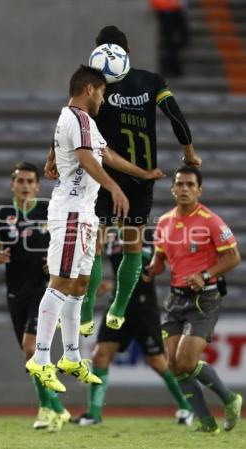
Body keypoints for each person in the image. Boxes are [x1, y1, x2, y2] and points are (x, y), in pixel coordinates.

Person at [26, 65, 165, 393]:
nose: (104, 98)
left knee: (81, 284)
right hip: (72, 212)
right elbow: (88, 159)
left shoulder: (79, 121)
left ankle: (71, 355)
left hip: (85, 214)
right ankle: (41, 358)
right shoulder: (76, 118)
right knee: (60, 282)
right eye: (102, 92)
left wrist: (141, 174)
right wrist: (115, 189)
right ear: (90, 89)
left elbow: (104, 154)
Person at [67, 25, 201, 335]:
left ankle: (86, 313)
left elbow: (74, 121)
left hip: (103, 177)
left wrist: (53, 157)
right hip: (142, 180)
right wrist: (189, 153)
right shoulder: (152, 82)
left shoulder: (93, 86)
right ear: (128, 52)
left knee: (94, 249)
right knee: (132, 248)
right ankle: (119, 308)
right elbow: (176, 116)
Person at [145, 165, 242, 433]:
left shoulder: (211, 220)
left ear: (199, 190)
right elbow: (161, 258)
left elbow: (233, 257)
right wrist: (151, 269)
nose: (184, 189)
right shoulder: (164, 222)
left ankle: (230, 399)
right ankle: (206, 423)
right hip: (175, 300)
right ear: (173, 188)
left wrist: (206, 274)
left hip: (204, 299)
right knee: (174, 366)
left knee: (186, 362)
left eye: (190, 185)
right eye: (180, 184)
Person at [72, 228, 194, 426]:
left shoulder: (150, 235)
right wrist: (100, 284)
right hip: (117, 306)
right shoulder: (107, 235)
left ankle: (187, 407)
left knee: (156, 360)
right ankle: (94, 414)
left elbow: (161, 264)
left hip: (143, 306)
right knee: (100, 354)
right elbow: (93, 262)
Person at [0, 161, 70, 432]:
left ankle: (46, 411)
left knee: (31, 347)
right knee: (29, 355)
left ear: (37, 185)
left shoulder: (48, 210)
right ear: (13, 185)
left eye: (30, 181)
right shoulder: (2, 214)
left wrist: (54, 263)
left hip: (45, 290)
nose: (25, 186)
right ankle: (58, 409)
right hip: (15, 292)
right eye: (20, 181)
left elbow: (67, 243)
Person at [150, 0, 190, 77]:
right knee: (170, 39)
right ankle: (173, 66)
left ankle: (169, 63)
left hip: (176, 7)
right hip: (165, 8)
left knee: (182, 38)